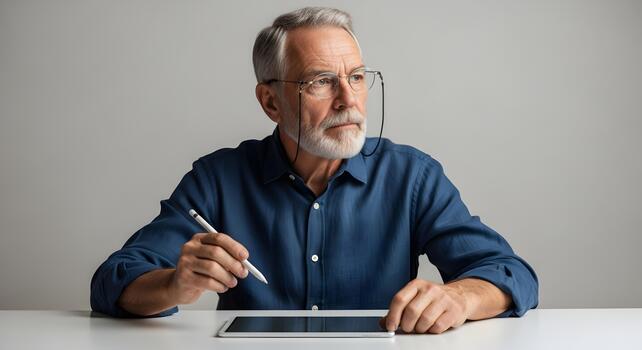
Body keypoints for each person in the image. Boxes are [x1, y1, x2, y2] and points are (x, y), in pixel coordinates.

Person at [90, 7, 538, 334]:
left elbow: (510, 273)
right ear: (270, 102)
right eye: (321, 81)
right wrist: (174, 284)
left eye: (357, 77)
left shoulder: (411, 177)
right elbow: (114, 282)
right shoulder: (218, 179)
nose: (349, 99)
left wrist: (459, 296)